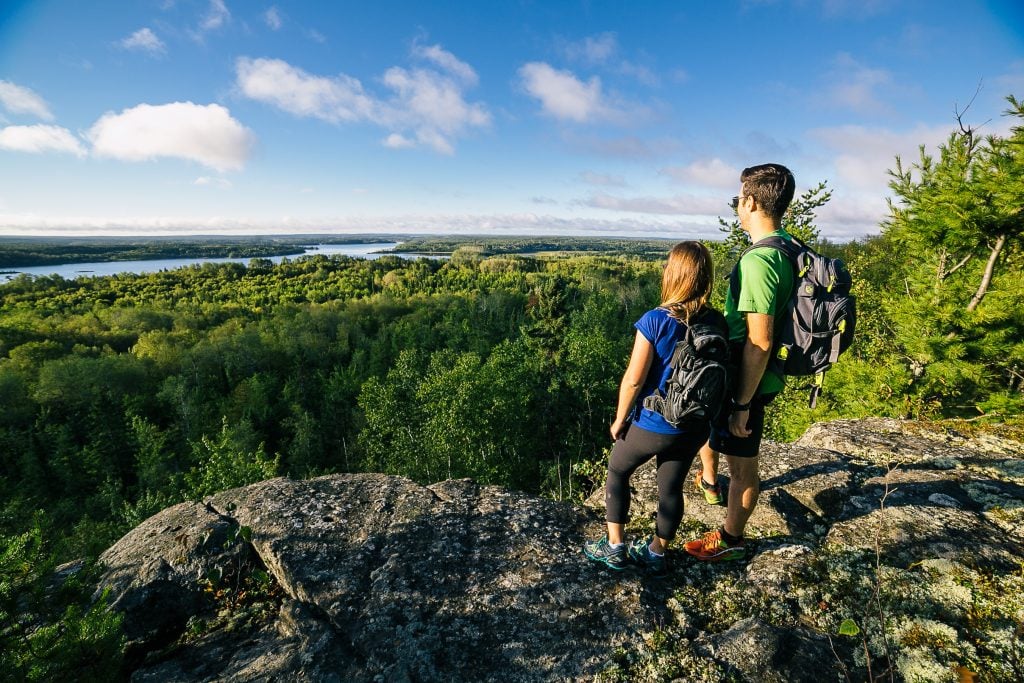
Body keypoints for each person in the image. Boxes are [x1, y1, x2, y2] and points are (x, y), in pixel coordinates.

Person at [583, 241, 726, 575]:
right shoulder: (716, 321)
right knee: (671, 488)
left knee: (618, 470)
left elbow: (634, 380)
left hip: (654, 424)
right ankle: (656, 553)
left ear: (673, 274)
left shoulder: (656, 320)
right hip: (694, 426)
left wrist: (620, 420)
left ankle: (615, 545)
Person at [685, 163, 797, 562]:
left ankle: (730, 541)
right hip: (743, 377)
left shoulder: (759, 261)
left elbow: (760, 340)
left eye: (738, 199)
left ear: (749, 201)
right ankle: (710, 482)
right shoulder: (786, 247)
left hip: (744, 380)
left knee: (744, 467)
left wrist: (741, 404)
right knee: (718, 438)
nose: (738, 205)